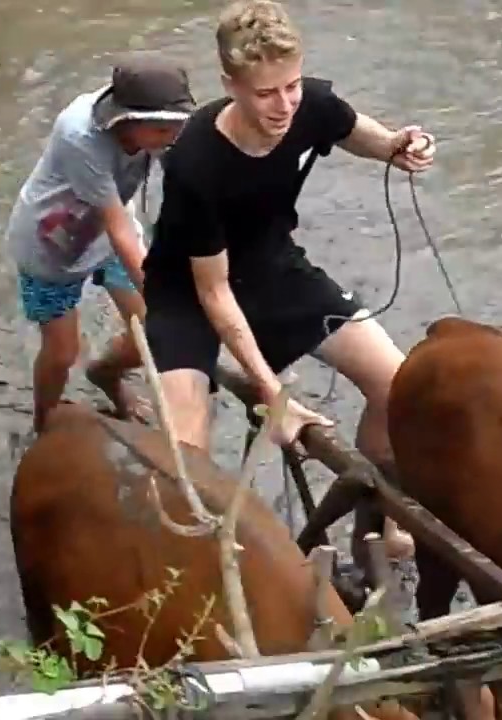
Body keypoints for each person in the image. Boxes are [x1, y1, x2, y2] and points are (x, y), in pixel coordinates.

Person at [142, 0, 434, 560]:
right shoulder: (196, 163)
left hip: (274, 267)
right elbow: (214, 293)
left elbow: (359, 134)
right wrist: (273, 393)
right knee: (187, 456)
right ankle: (178, 566)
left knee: (397, 385)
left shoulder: (311, 105)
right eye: (266, 92)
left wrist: (401, 147)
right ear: (231, 85)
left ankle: (373, 522)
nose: (284, 106)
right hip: (191, 289)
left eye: (292, 86)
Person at [5, 51, 195, 433]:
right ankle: (44, 425)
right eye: (160, 132)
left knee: (153, 332)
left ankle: (106, 375)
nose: (171, 139)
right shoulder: (81, 136)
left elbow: (188, 186)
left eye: (177, 128)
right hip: (52, 247)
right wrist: (165, 296)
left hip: (109, 237)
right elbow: (118, 228)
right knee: (61, 353)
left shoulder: (164, 127)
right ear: (125, 122)